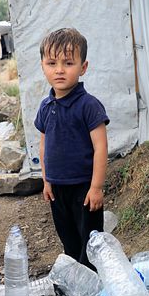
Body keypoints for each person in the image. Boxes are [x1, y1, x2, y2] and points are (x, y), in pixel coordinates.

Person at [34, 28, 109, 268]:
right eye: (52, 62)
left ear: (83, 67)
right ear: (43, 66)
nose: (59, 70)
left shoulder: (89, 106)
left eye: (68, 63)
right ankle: (80, 288)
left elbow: (101, 148)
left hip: (84, 189)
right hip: (57, 189)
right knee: (69, 241)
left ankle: (97, 294)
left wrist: (96, 187)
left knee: (91, 244)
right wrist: (46, 181)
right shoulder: (46, 106)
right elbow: (44, 145)